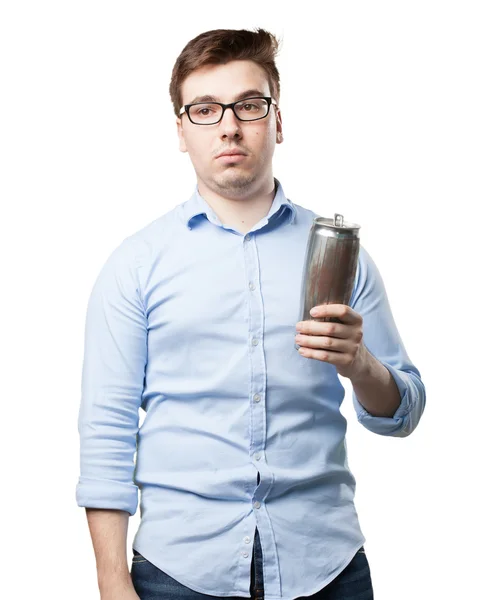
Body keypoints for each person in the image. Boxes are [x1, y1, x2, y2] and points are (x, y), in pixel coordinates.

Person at [76, 28, 426, 600]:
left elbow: (404, 410)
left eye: (249, 104)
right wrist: (112, 580)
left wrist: (361, 365)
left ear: (278, 121)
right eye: (205, 110)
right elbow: (106, 432)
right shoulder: (136, 265)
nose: (229, 126)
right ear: (182, 132)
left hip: (327, 567)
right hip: (178, 575)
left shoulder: (340, 253)